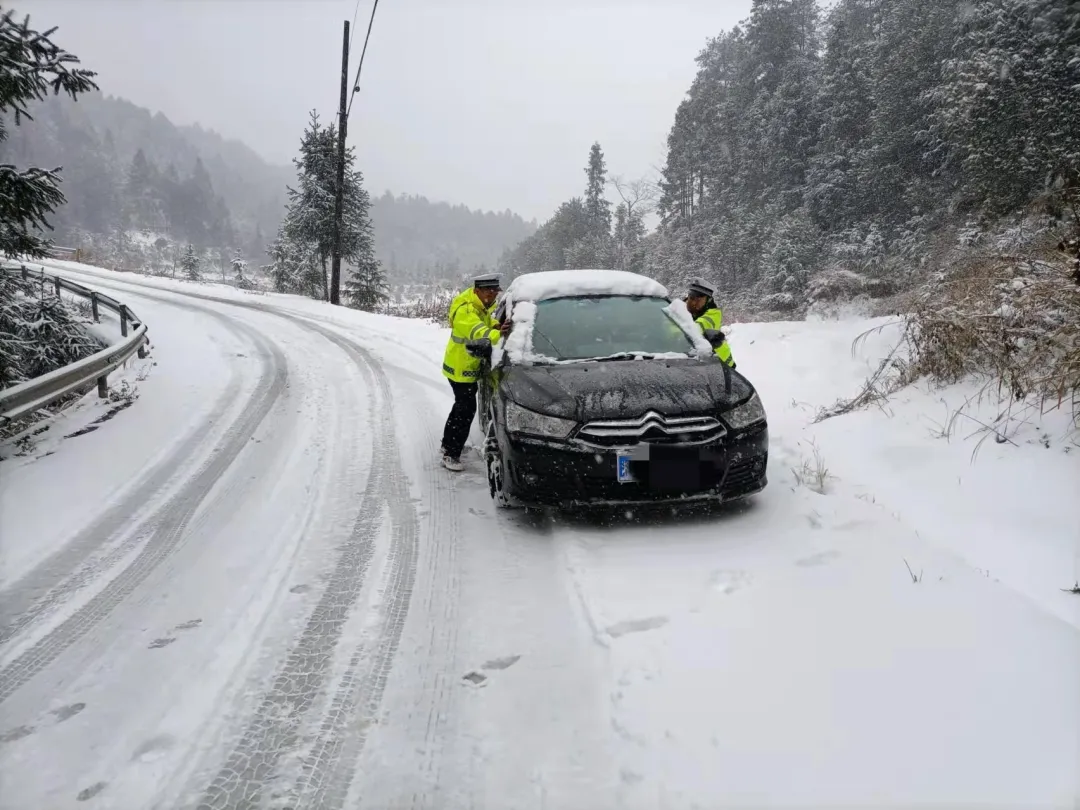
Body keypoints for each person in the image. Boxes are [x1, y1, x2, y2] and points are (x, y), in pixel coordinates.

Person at [440, 273, 508, 471]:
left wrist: (496, 325)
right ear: (477, 290)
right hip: (461, 367)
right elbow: (476, 330)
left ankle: (448, 445)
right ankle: (450, 454)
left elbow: (485, 322)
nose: (493, 295)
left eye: (495, 291)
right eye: (489, 291)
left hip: (467, 365)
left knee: (461, 407)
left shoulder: (479, 304)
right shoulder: (466, 309)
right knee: (465, 409)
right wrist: (498, 334)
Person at [684, 277, 736, 368]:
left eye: (698, 299)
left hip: (723, 366)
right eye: (691, 297)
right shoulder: (681, 308)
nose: (693, 302)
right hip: (700, 363)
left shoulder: (713, 315)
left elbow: (696, 328)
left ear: (708, 301)